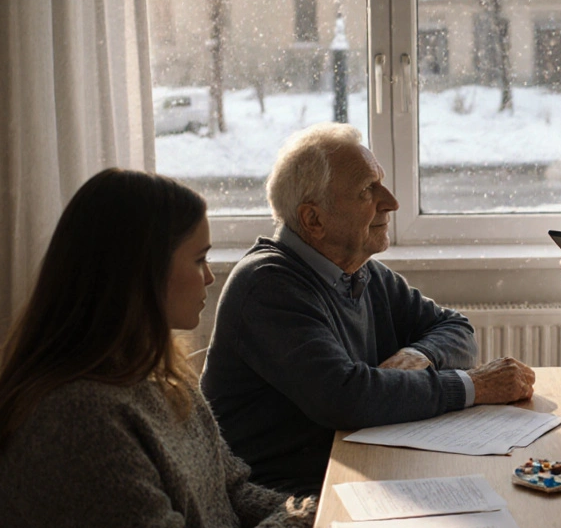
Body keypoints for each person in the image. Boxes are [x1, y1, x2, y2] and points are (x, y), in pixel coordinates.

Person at [0, 169, 315, 528]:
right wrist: (295, 524)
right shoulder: (75, 420)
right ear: (140, 273)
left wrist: (312, 514)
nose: (210, 278)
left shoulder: (157, 373)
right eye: (198, 260)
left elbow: (229, 490)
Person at [203, 123, 535, 496]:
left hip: (355, 467)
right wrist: (473, 386)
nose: (391, 201)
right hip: (283, 496)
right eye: (367, 190)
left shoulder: (358, 270)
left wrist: (416, 356)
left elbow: (457, 330)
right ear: (314, 220)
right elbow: (345, 398)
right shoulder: (267, 284)